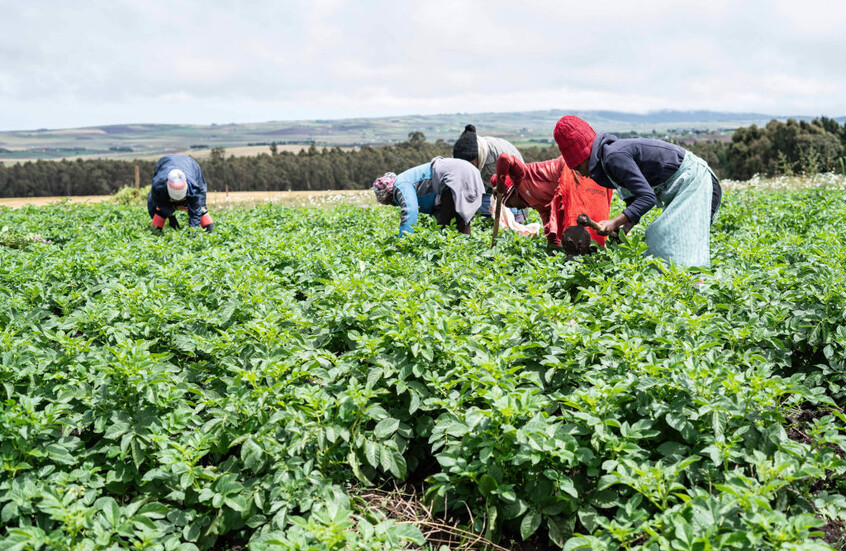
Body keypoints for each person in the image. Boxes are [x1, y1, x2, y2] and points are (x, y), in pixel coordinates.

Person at [553, 116, 722, 267]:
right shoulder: (606, 161)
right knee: (668, 242)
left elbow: (647, 197)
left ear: (586, 156)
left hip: (694, 180)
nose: (581, 173)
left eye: (578, 167)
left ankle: (693, 291)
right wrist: (624, 229)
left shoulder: (613, 157)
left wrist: (614, 222)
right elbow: (635, 198)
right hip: (685, 184)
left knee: (665, 240)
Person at [493, 153, 614, 251]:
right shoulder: (537, 204)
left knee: (579, 221)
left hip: (572, 170)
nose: (516, 208)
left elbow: (505, 158)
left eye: (510, 204)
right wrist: (552, 251)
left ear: (511, 194)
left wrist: (500, 184)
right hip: (571, 185)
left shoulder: (520, 176)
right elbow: (551, 231)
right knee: (584, 226)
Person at [372, 157, 483, 237]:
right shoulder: (407, 180)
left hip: (455, 177)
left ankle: (456, 260)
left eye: (388, 202)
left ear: (388, 194)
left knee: (444, 232)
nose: (392, 204)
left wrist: (404, 242)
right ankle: (466, 258)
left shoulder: (400, 185)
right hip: (469, 173)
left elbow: (410, 210)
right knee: (461, 224)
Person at [452, 124, 526, 220]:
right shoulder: (460, 155)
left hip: (510, 179)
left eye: (471, 163)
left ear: (478, 157)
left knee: (510, 212)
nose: (468, 167)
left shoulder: (499, 155)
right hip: (485, 181)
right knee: (483, 210)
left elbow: (515, 184)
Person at [148, 154, 214, 233]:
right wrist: (170, 215)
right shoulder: (158, 186)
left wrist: (192, 232)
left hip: (190, 164)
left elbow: (196, 212)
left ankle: (210, 233)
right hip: (166, 162)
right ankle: (156, 234)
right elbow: (159, 202)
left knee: (200, 208)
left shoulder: (194, 189)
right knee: (156, 208)